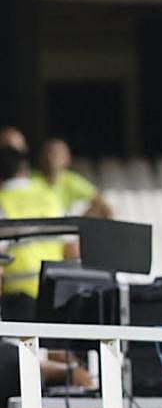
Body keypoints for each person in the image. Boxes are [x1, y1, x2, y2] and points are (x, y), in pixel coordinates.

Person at [0, 139, 73, 321]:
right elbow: (73, 248)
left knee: (20, 349)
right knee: (55, 347)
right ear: (24, 170)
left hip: (18, 297)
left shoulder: (3, 201)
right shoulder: (49, 197)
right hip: (56, 293)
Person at [33, 137, 112, 218]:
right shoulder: (30, 179)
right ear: (41, 157)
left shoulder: (71, 180)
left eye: (59, 154)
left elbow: (102, 203)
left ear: (68, 159)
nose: (53, 158)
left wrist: (82, 222)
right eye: (50, 153)